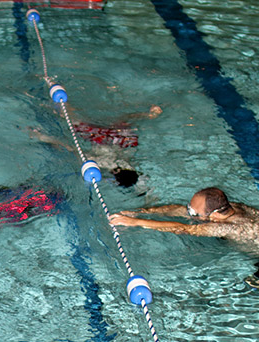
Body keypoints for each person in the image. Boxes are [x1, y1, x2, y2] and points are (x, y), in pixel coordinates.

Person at [109, 187, 259, 287]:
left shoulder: (228, 228)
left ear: (215, 214)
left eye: (195, 214)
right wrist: (141, 211)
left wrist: (135, 222)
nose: (189, 214)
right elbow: (181, 211)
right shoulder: (231, 207)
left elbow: (182, 229)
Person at [30, 105, 162, 190]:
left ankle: (147, 115)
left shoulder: (128, 166)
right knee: (71, 119)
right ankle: (62, 104)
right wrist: (43, 137)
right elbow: (70, 149)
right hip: (100, 138)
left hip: (120, 139)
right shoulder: (102, 163)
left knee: (124, 121)